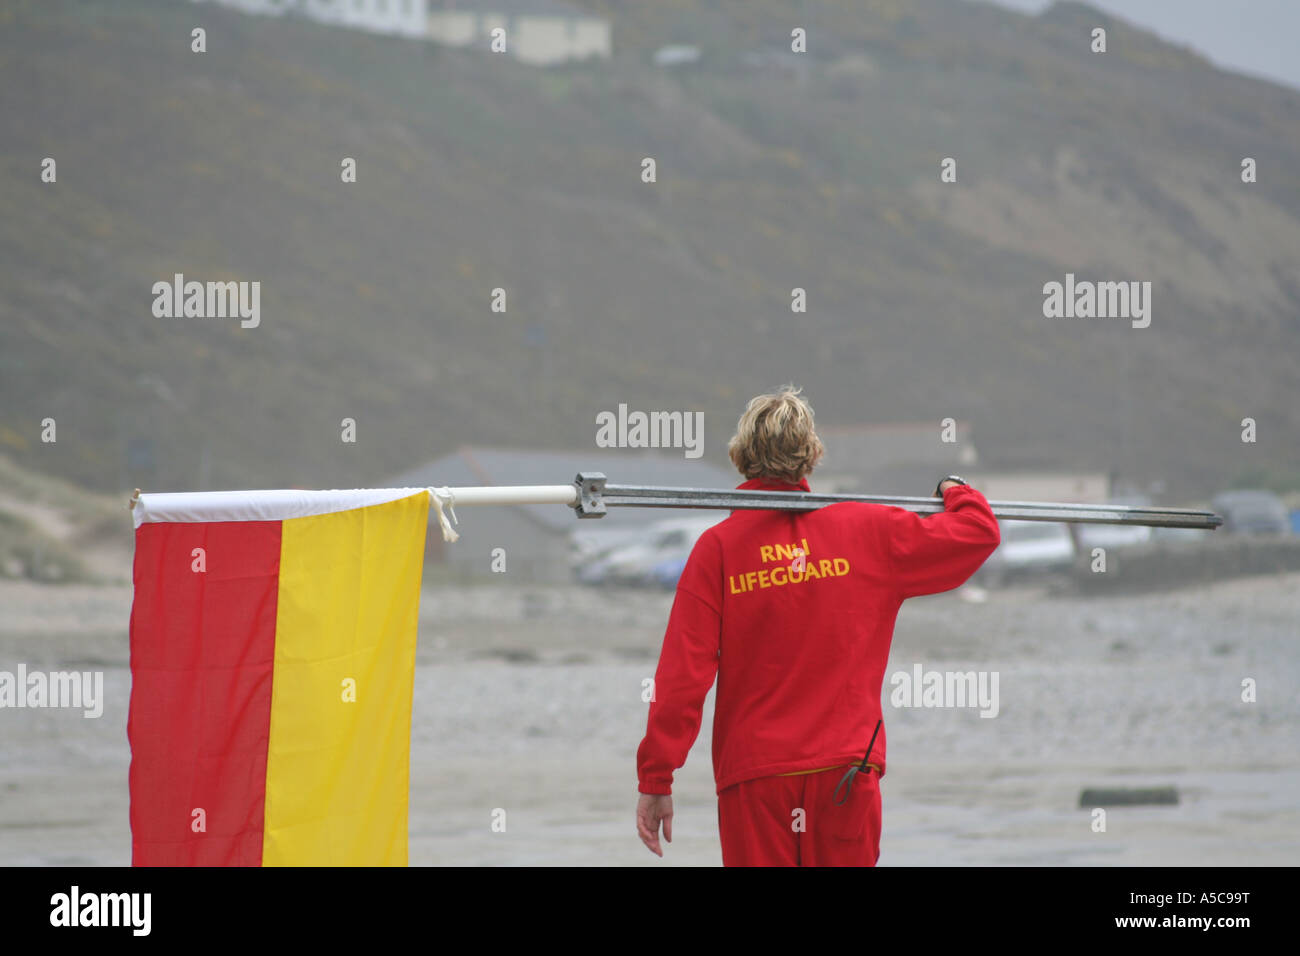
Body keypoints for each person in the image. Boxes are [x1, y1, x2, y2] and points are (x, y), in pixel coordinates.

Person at [634, 385, 1000, 866]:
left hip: (757, 779)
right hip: (846, 774)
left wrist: (657, 779)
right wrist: (955, 488)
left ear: (742, 457)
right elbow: (978, 532)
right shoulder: (869, 531)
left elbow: (683, 677)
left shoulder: (718, 550)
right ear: (810, 457)